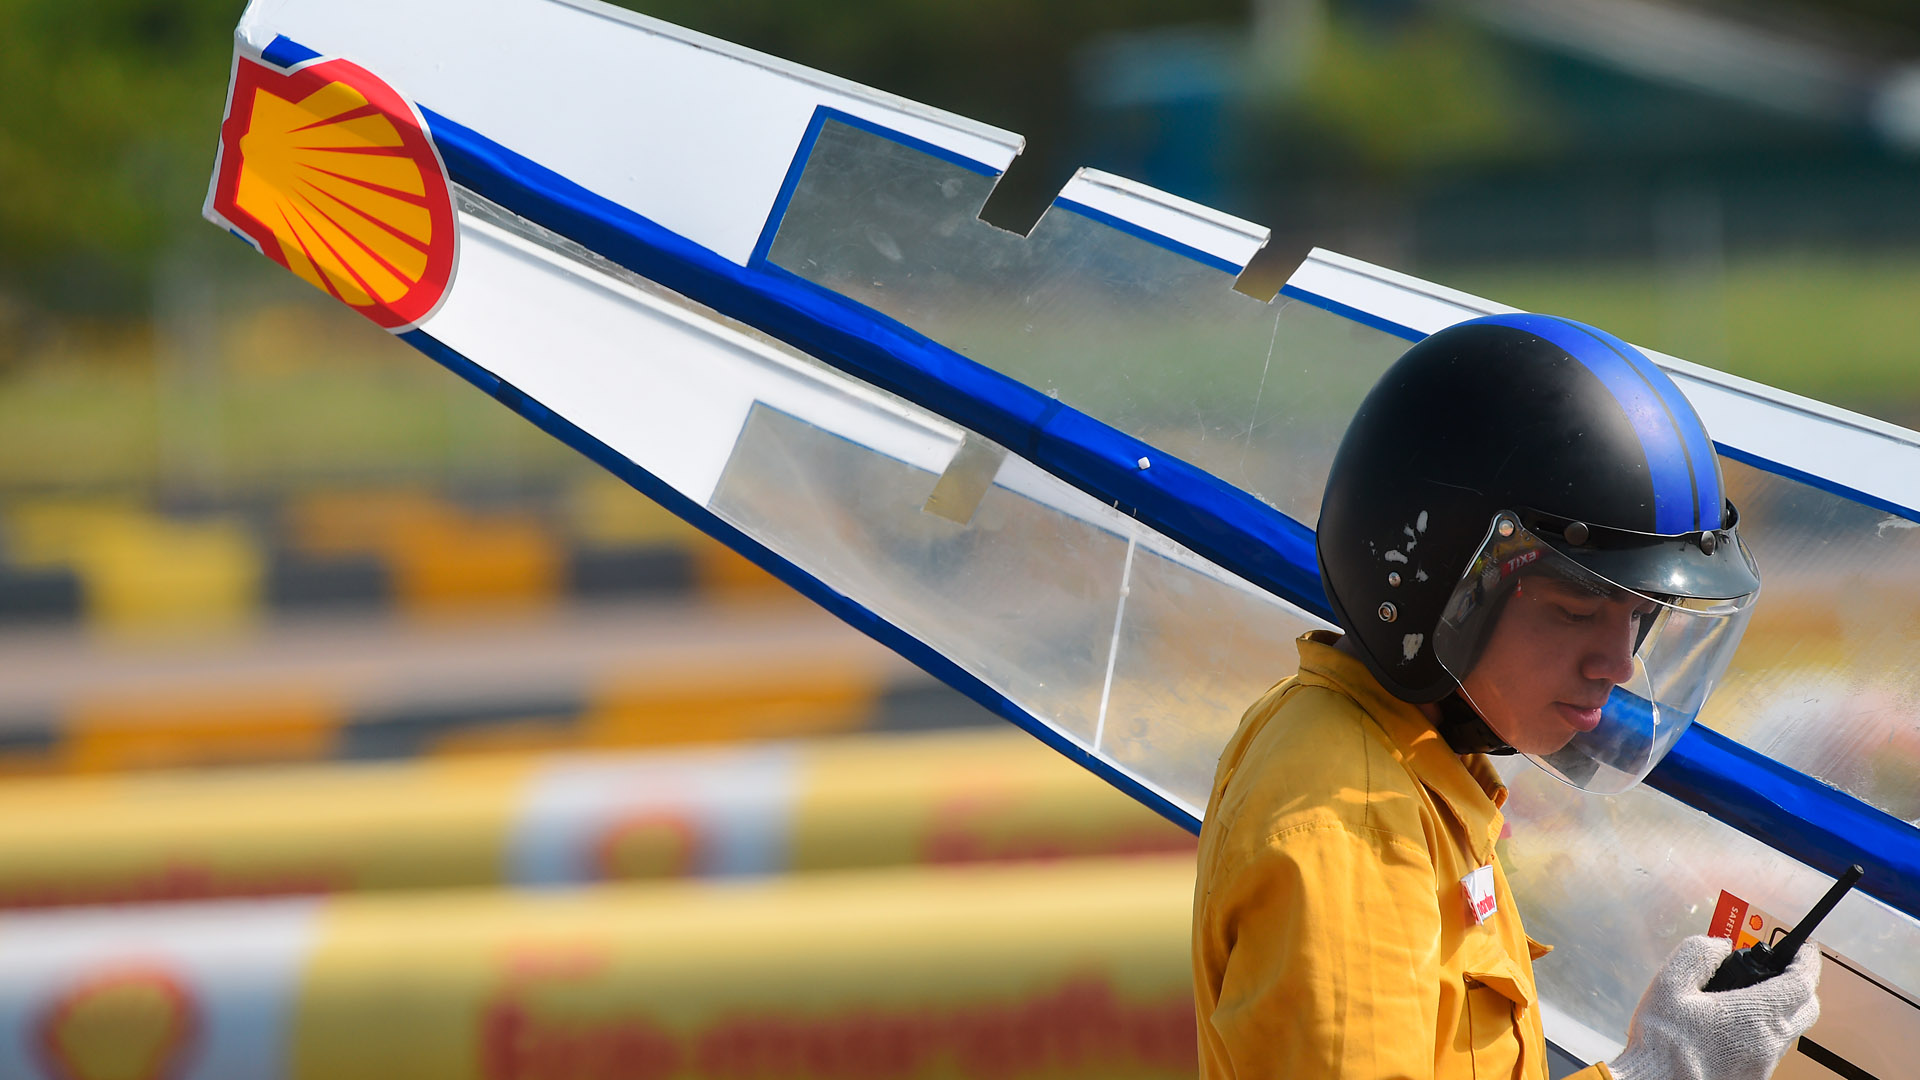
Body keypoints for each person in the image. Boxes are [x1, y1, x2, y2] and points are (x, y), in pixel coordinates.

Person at [1191, 313, 1822, 1079]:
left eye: (1641, 616)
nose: (1618, 663)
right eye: (1575, 609)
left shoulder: (1407, 769)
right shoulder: (1349, 822)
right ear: (1429, 586)